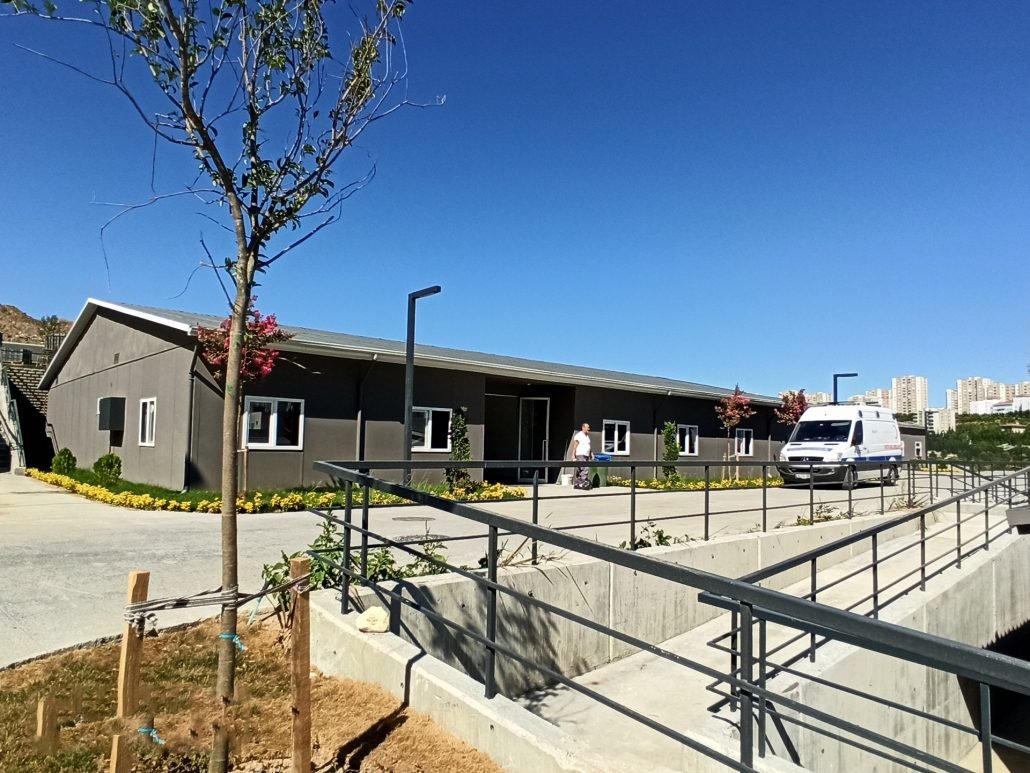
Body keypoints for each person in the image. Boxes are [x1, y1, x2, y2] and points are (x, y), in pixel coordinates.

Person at [572, 422, 593, 490]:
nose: (589, 429)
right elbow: (575, 446)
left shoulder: (587, 436)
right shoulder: (579, 435)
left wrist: (591, 454)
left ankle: (577, 483)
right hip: (580, 454)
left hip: (586, 455)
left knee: (580, 469)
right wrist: (573, 455)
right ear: (583, 428)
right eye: (587, 427)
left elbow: (588, 446)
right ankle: (583, 483)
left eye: (589, 427)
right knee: (584, 468)